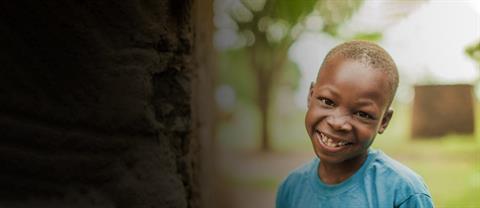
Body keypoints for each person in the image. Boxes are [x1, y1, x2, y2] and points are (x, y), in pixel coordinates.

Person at [276, 40, 434, 208]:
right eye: (327, 101)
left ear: (384, 121)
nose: (338, 123)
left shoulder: (403, 193)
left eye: (362, 114)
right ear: (311, 95)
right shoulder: (291, 189)